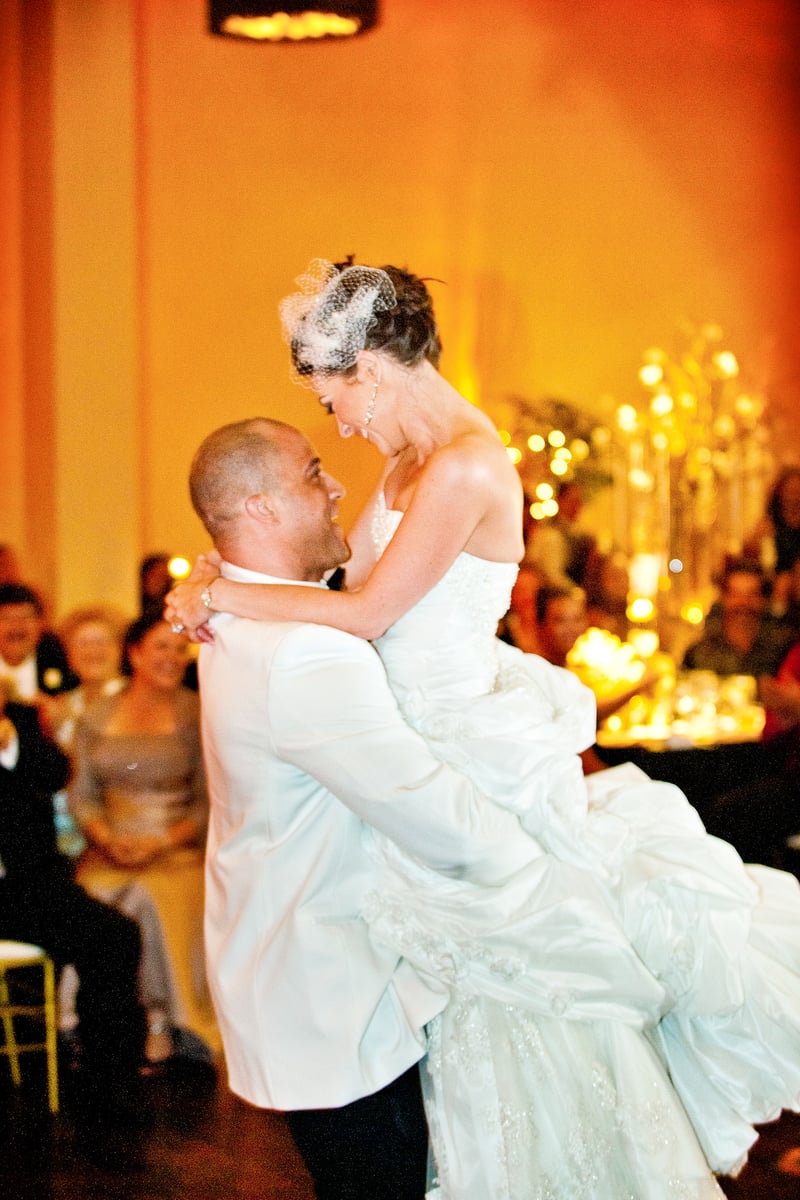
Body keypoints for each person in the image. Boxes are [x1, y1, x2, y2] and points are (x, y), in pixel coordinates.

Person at [168, 260, 800, 1197]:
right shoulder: (405, 463)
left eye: (336, 400)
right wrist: (219, 580)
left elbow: (370, 612)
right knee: (467, 1034)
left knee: (529, 1004)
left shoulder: (467, 462)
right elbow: (344, 588)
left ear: (371, 370)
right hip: (411, 749)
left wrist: (225, 591)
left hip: (464, 753)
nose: (340, 428)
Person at [185, 417, 582, 1200]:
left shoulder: (234, 615)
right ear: (262, 508)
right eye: (313, 472)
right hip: (340, 1001)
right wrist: (562, 863)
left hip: (290, 974)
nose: (337, 486)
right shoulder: (302, 650)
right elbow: (440, 821)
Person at [0, 682, 147, 1166]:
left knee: (115, 935)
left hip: (27, 888)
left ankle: (107, 1081)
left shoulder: (22, 722)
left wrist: (9, 744)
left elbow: (56, 772)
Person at [69, 611, 218, 1065]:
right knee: (95, 893)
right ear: (134, 654)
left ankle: (160, 1016)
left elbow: (209, 801)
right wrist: (106, 838)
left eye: (180, 648)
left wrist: (162, 842)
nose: (173, 657)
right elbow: (82, 795)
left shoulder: (199, 712)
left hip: (177, 849)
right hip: (110, 848)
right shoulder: (98, 715)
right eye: (161, 647)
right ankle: (86, 1020)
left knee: (149, 893)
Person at [681, 557, 794, 677]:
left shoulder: (782, 648)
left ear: (763, 599)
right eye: (736, 594)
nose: (744, 603)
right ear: (724, 598)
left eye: (752, 594)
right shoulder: (699, 654)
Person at [0, 582, 78, 704]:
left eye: (25, 617)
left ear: (41, 624)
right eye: (7, 618)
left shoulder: (61, 660)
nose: (16, 626)